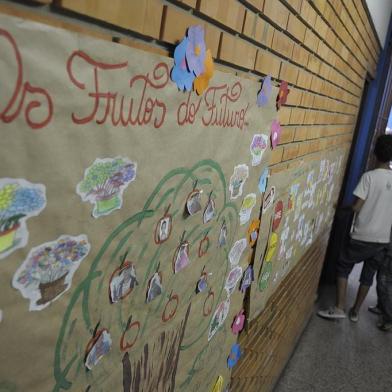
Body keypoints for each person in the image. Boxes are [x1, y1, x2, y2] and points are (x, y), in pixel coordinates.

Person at [318, 135, 392, 321]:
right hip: (382, 240)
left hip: (362, 236)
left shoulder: (369, 177)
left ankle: (339, 307)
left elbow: (357, 207)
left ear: (375, 153)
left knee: (343, 265)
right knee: (368, 276)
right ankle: (355, 312)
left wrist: (341, 207)